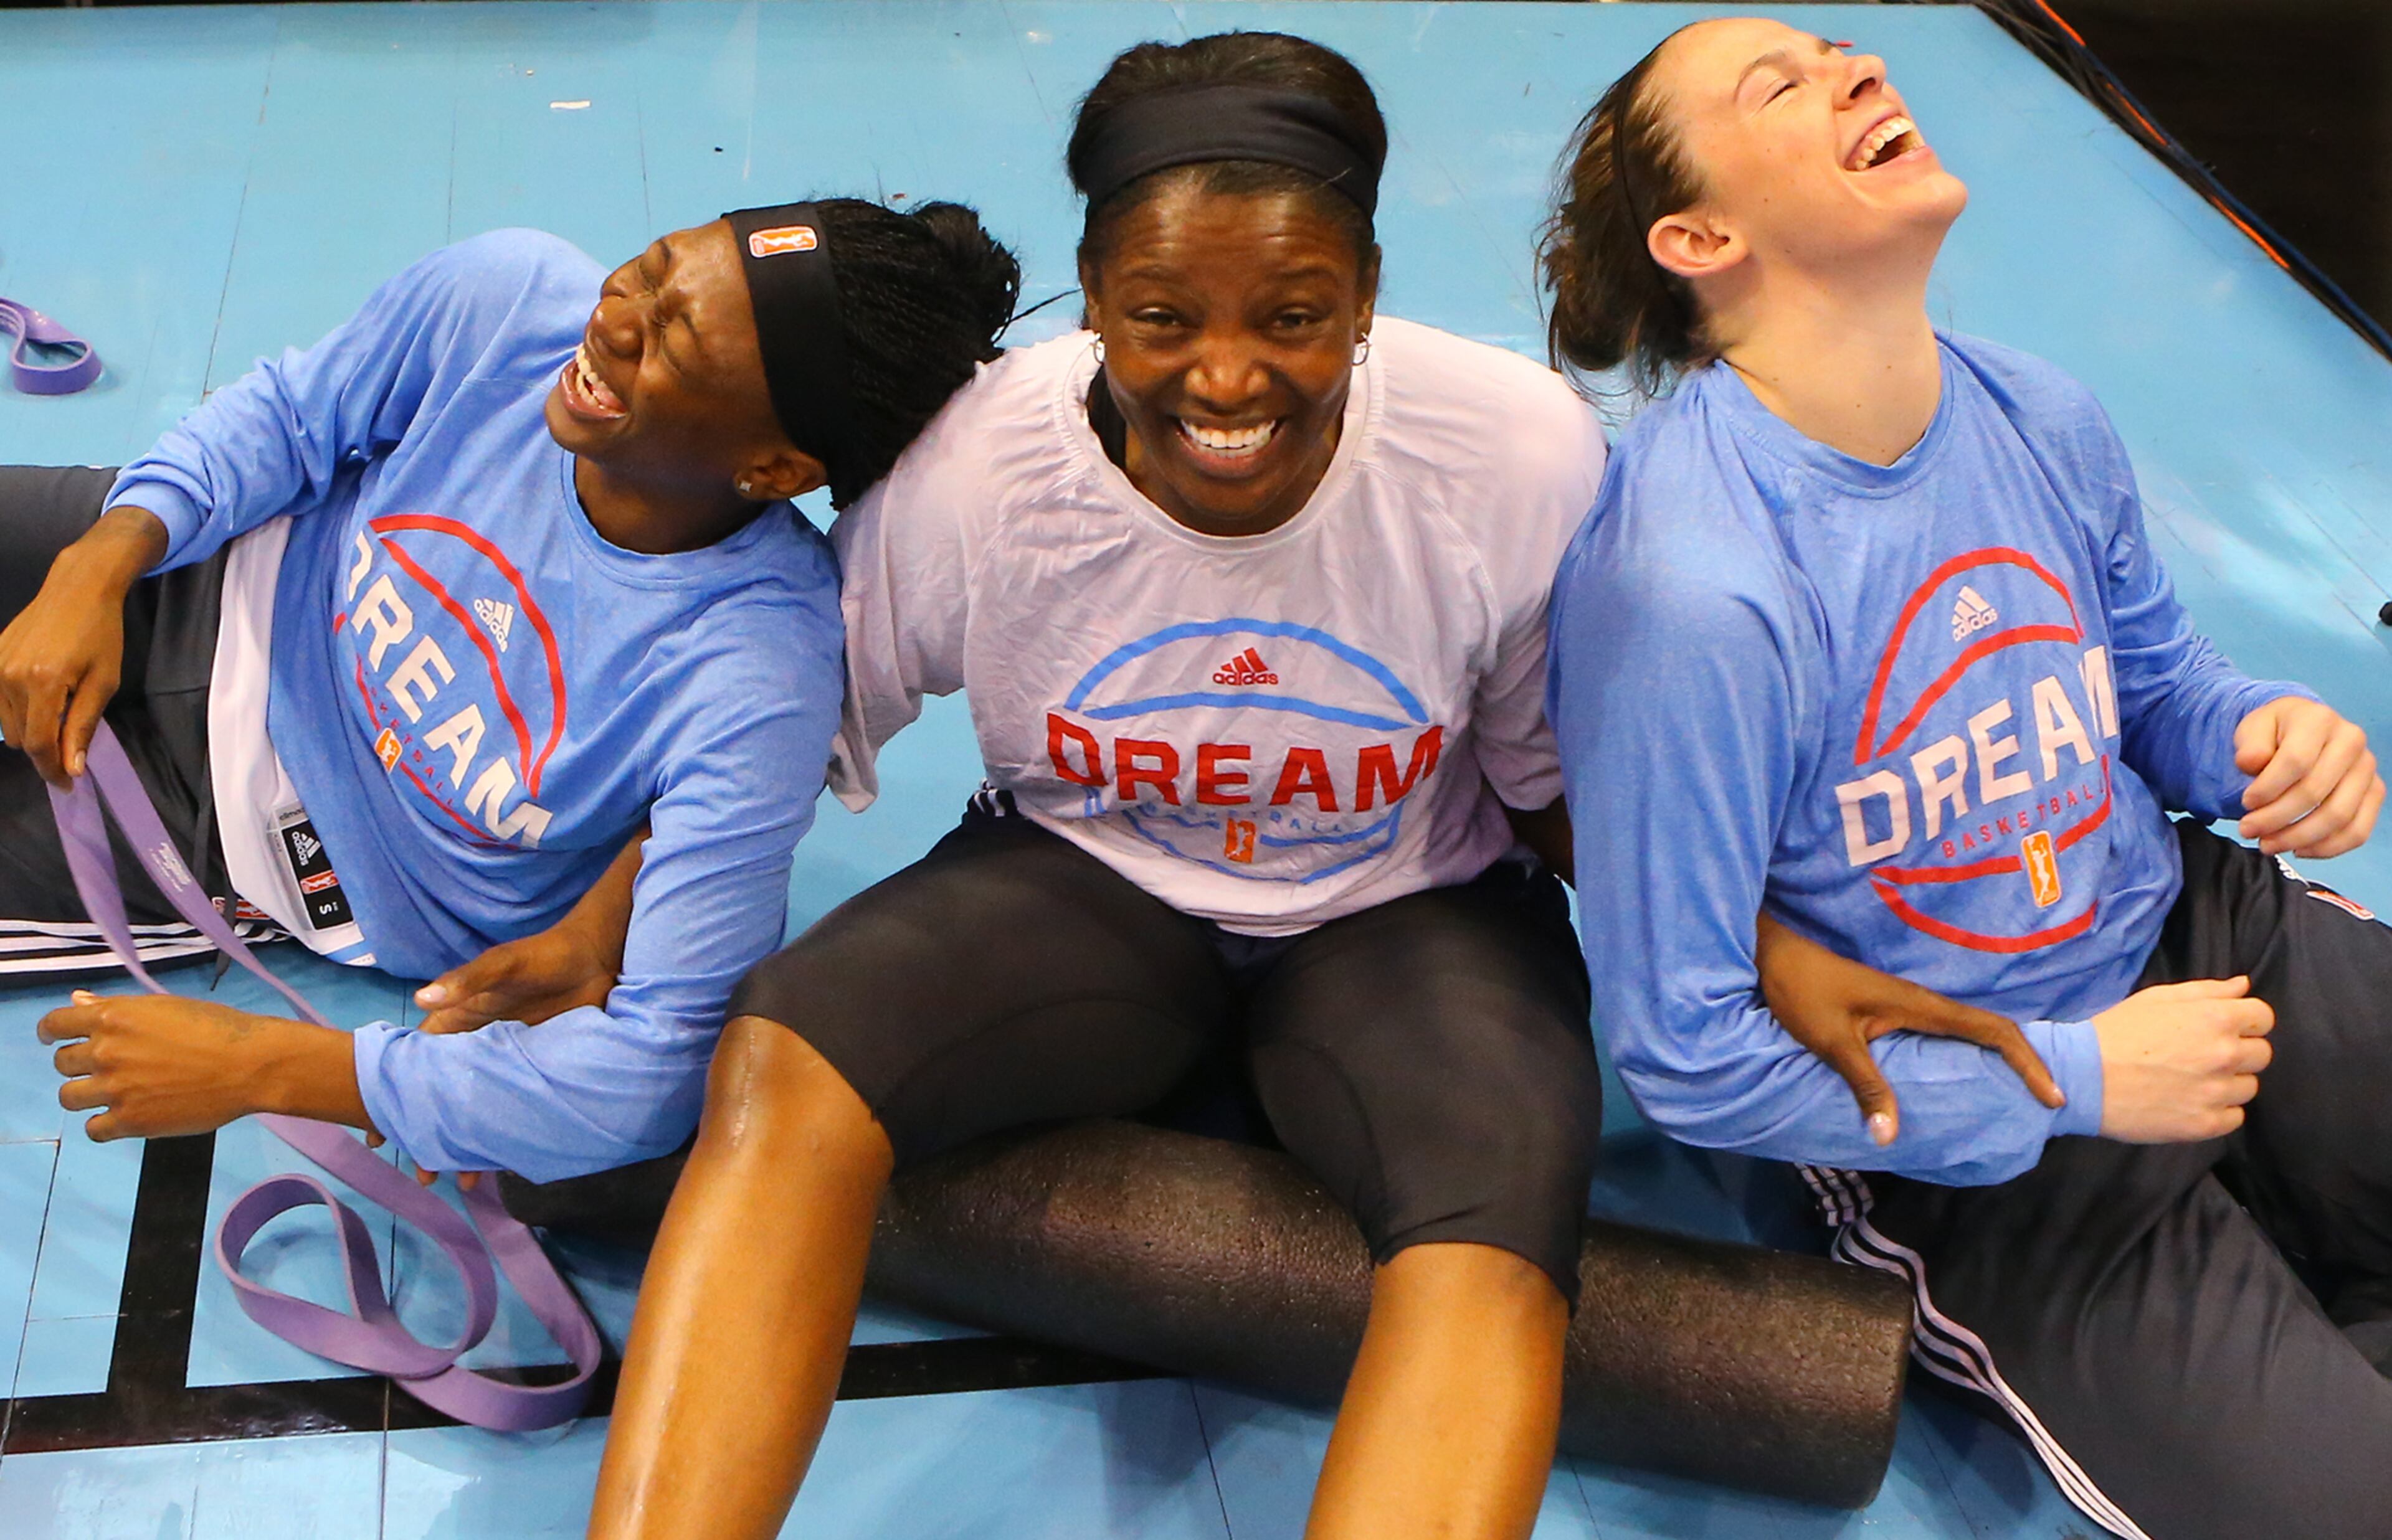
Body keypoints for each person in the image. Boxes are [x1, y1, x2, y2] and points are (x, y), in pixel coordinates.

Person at [558, 30, 2066, 1540]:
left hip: (1413, 918)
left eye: (1294, 315)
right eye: (1160, 318)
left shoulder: (1515, 457)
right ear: (1090, 305)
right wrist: (595, 926)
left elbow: (1555, 780)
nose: (1227, 377)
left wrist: (1759, 948)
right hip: (1088, 888)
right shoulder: (975, 473)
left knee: (1497, 1230)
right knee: (777, 1062)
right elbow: (779, 735)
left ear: (1365, 299)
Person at [1542, 18, 2392, 1539]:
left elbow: (2166, 696)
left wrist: (2274, 729)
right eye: (1781, 86)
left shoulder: (2038, 411)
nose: (1857, 73)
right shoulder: (1693, 585)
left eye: (1840, 50)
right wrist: (2070, 1080)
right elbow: (1683, 1045)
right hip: (1984, 1107)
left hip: (2211, 945)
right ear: (1700, 237)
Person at [6, 201, 1020, 1189]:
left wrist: (274, 1066)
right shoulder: (510, 299)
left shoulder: (754, 670)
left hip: (247, 832)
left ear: (770, 467)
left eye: (672, 341)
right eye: (655, 265)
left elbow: (651, 1072)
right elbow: (291, 416)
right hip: (208, 571)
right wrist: (98, 564)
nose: (615, 316)